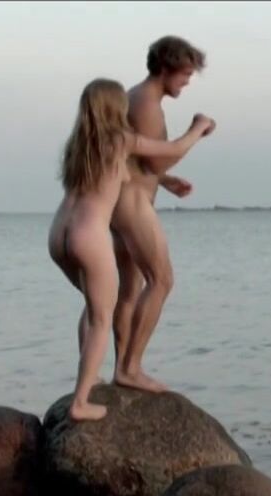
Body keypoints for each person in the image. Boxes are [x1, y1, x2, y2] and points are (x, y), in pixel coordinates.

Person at [48, 78, 214, 421]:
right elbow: (173, 149)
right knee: (102, 317)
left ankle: (91, 379)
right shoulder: (122, 139)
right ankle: (81, 402)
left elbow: (125, 173)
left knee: (94, 306)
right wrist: (198, 128)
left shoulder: (79, 146)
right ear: (115, 108)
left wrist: (165, 182)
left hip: (59, 234)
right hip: (89, 235)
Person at [110, 36, 211, 394]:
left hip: (125, 199)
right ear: (166, 68)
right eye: (185, 74)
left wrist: (165, 181)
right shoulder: (146, 102)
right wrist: (196, 131)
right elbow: (155, 160)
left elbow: (136, 159)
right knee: (162, 280)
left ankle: (122, 369)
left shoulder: (137, 98)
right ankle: (130, 368)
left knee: (130, 289)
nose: (187, 81)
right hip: (132, 203)